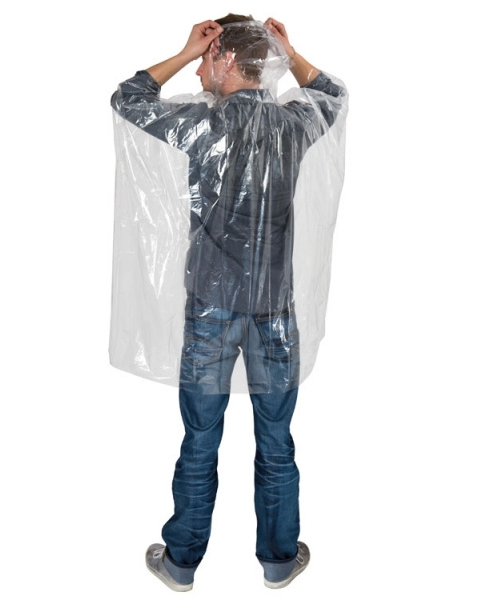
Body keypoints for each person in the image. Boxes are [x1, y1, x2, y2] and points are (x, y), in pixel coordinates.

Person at [110, 14, 347, 591]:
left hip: (211, 312)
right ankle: (278, 561)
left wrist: (181, 49)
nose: (197, 70)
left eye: (204, 59)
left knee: (200, 442)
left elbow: (128, 98)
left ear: (226, 59)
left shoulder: (201, 123)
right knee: (276, 442)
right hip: (275, 314)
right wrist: (288, 51)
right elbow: (332, 95)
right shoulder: (294, 124)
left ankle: (181, 564)